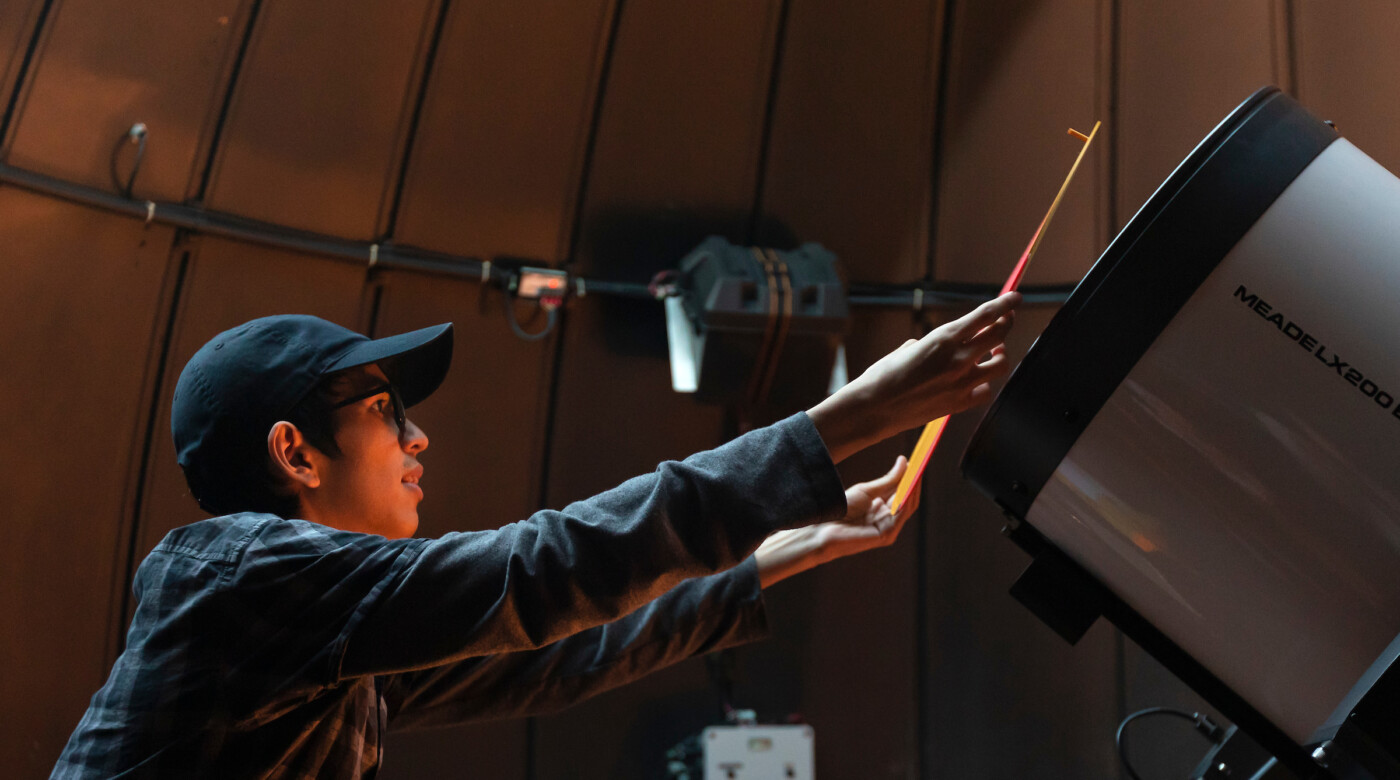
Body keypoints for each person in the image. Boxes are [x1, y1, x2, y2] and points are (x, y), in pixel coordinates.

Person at [51, 292, 1021, 778]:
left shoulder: (314, 643)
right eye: (386, 411)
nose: (417, 436)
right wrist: (842, 419)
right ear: (295, 454)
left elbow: (560, 653)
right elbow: (544, 570)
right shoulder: (234, 575)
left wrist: (785, 547)